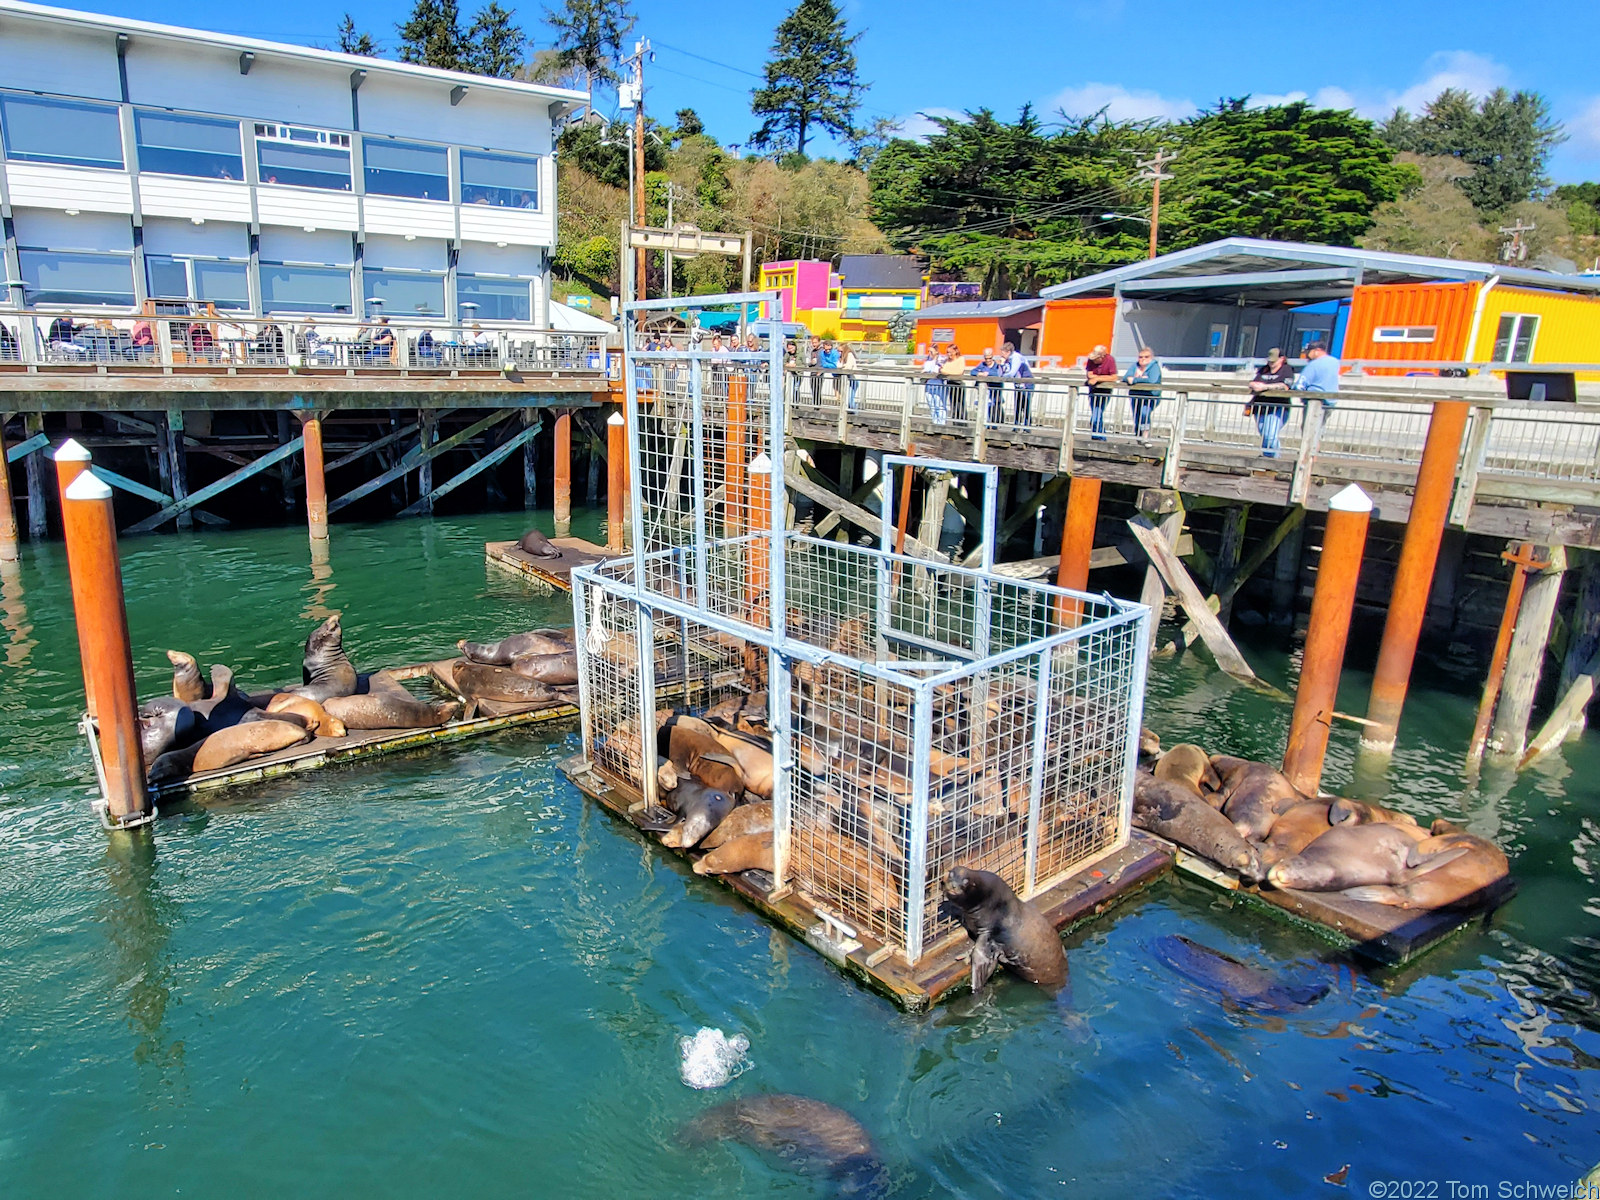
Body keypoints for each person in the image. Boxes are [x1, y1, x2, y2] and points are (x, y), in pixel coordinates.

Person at [1246, 347, 1295, 458]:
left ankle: (1275, 460)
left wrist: (1265, 387)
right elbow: (1254, 382)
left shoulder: (1287, 370)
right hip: (1260, 407)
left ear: (1282, 359)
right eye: (1269, 361)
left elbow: (1285, 386)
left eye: (1274, 361)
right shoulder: (1264, 369)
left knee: (1270, 435)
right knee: (1264, 434)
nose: (1271, 363)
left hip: (1278, 407)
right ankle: (1267, 458)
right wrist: (1254, 385)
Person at [1123, 346, 1162, 440]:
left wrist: (1135, 379)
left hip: (1150, 396)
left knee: (1145, 413)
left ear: (1151, 358)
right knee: (1137, 416)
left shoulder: (1154, 366)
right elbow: (1126, 377)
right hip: (1136, 396)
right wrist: (1141, 379)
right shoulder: (1135, 366)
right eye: (1141, 357)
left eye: (1146, 357)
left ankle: (1145, 436)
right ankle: (1138, 435)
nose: (1143, 359)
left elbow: (1152, 380)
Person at [1084, 345, 1119, 439]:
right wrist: (1095, 378)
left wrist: (1098, 378)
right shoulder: (1091, 360)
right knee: (1096, 413)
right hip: (1094, 390)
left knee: (1097, 414)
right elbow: (1089, 374)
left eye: (1096, 359)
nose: (1094, 361)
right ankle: (1100, 437)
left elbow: (1114, 377)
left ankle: (1098, 437)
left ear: (1102, 357)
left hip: (1105, 390)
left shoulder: (1110, 360)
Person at [998, 341, 1034, 427]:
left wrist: (1003, 376)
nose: (1002, 356)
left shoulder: (1016, 358)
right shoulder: (1008, 359)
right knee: (1017, 406)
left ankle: (1027, 427)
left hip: (1026, 384)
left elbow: (1011, 373)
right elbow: (1002, 372)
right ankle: (1016, 426)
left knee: (1026, 406)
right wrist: (1002, 364)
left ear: (1008, 352)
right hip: (1018, 384)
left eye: (1003, 353)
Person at [972, 348, 1004, 424]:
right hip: (984, 391)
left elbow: (998, 374)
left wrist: (988, 373)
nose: (988, 360)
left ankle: (994, 425)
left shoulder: (997, 366)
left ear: (992, 356)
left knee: (994, 408)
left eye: (989, 358)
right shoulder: (982, 364)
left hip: (994, 391)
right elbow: (972, 371)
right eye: (986, 358)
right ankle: (984, 424)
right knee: (984, 408)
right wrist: (980, 374)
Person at [939, 342, 967, 421]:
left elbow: (959, 372)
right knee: (953, 404)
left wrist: (948, 372)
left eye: (950, 352)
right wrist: (946, 372)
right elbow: (942, 370)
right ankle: (955, 422)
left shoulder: (961, 359)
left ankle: (962, 423)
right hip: (950, 383)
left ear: (955, 351)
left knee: (960, 404)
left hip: (958, 384)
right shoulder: (947, 361)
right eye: (947, 352)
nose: (949, 354)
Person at [837, 341, 859, 409]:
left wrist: (842, 366)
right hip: (846, 380)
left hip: (853, 379)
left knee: (850, 399)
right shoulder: (841, 358)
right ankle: (849, 412)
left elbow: (849, 367)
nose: (839, 353)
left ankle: (854, 410)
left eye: (841, 351)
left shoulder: (849, 355)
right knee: (845, 399)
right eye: (838, 351)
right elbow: (838, 365)